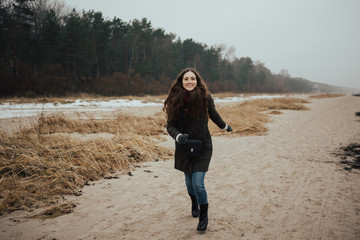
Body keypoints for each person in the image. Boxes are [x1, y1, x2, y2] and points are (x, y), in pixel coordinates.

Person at [163, 68, 232, 231]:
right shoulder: (175, 99)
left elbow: (213, 114)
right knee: (189, 183)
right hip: (184, 146)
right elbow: (170, 125)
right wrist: (178, 136)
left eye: (192, 78)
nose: (189, 81)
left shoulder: (205, 97)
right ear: (181, 81)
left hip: (203, 146)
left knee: (198, 183)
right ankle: (194, 202)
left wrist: (224, 126)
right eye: (186, 79)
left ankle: (203, 217)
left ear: (197, 80)